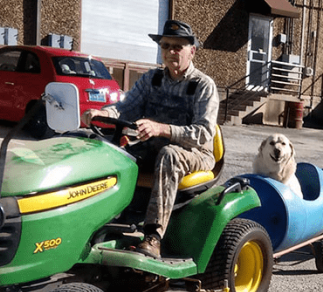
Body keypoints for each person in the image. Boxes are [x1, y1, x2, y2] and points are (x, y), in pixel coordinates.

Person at [81, 20, 219, 259]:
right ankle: (97, 221)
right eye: (166, 46)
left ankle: (153, 236)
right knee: (105, 149)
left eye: (178, 47)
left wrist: (162, 129)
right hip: (152, 149)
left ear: (192, 51)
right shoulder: (151, 79)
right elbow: (126, 107)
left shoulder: (203, 86)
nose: (171, 51)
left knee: (170, 154)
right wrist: (104, 113)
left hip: (196, 154)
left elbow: (204, 133)